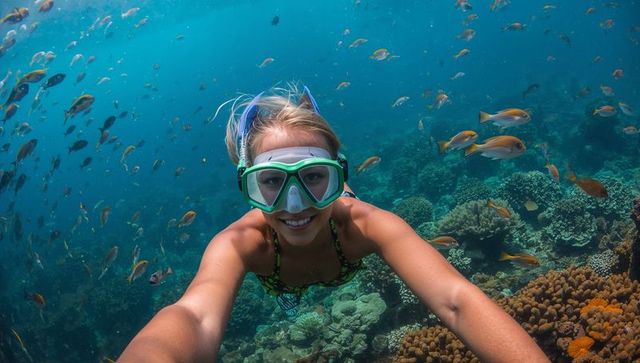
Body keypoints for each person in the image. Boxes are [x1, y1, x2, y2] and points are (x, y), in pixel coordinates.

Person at [119, 84, 549, 362]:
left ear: (337, 175)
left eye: (313, 177)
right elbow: (193, 318)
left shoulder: (363, 224)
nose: (295, 205)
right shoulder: (240, 243)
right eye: (270, 182)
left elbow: (457, 299)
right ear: (247, 187)